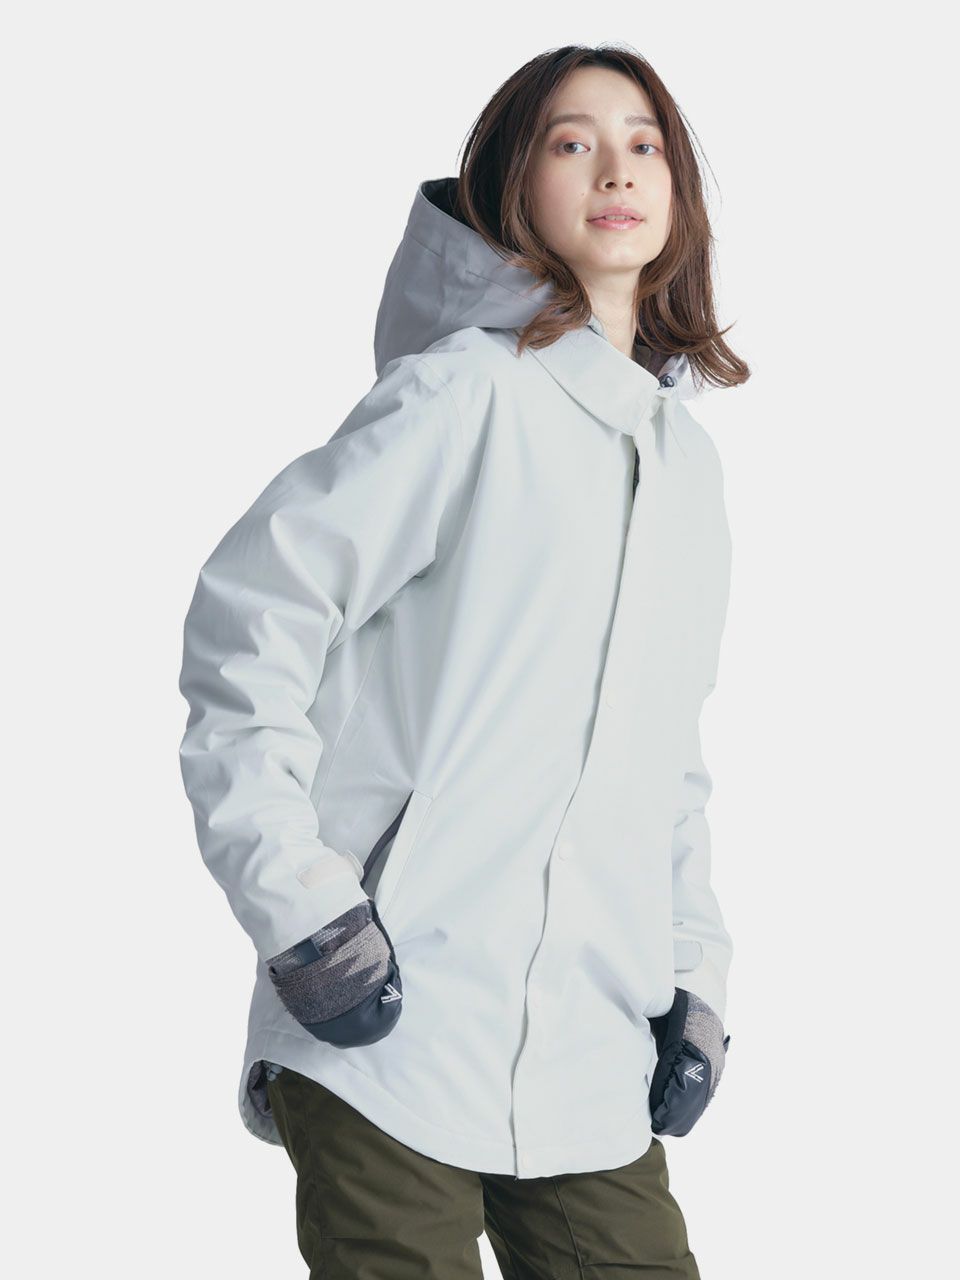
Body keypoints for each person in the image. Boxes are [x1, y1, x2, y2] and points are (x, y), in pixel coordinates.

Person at [178, 43, 749, 1280]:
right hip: (391, 1022)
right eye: (571, 142)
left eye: (644, 143)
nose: (616, 169)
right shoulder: (462, 397)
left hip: (588, 1048)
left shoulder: (686, 468)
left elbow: (666, 761)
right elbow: (249, 620)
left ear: (679, 190)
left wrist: (692, 971)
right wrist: (306, 913)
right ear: (512, 186)